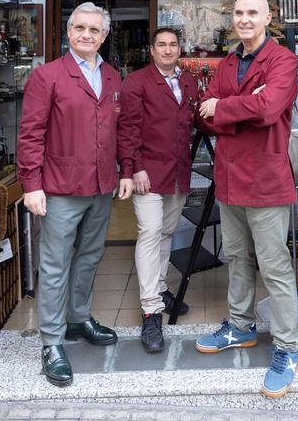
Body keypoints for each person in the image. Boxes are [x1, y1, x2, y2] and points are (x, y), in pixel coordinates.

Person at [17, 2, 133, 388]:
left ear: (104, 36)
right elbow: (31, 134)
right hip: (61, 187)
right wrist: (31, 184)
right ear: (69, 32)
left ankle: (78, 317)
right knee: (55, 264)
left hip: (101, 185)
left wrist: (124, 171)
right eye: (79, 28)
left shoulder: (113, 78)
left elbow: (120, 130)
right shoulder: (47, 76)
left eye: (94, 30)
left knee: (89, 256)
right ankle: (52, 340)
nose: (86, 34)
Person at [194, 0, 298, 399]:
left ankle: (289, 348)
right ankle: (240, 327)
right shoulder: (226, 63)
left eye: (252, 12)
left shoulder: (283, 61)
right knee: (236, 257)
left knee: (274, 268)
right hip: (229, 179)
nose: (244, 19)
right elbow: (204, 115)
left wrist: (222, 108)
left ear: (267, 18)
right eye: (238, 13)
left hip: (267, 181)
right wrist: (237, 109)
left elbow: (271, 108)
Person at [117, 27, 200, 353]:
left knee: (166, 231)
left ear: (180, 49)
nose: (167, 50)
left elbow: (197, 119)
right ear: (151, 50)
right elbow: (128, 129)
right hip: (147, 173)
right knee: (150, 232)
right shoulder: (136, 83)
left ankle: (161, 288)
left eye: (173, 45)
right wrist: (133, 167)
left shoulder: (188, 82)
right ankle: (151, 309)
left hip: (178, 172)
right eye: (161, 45)